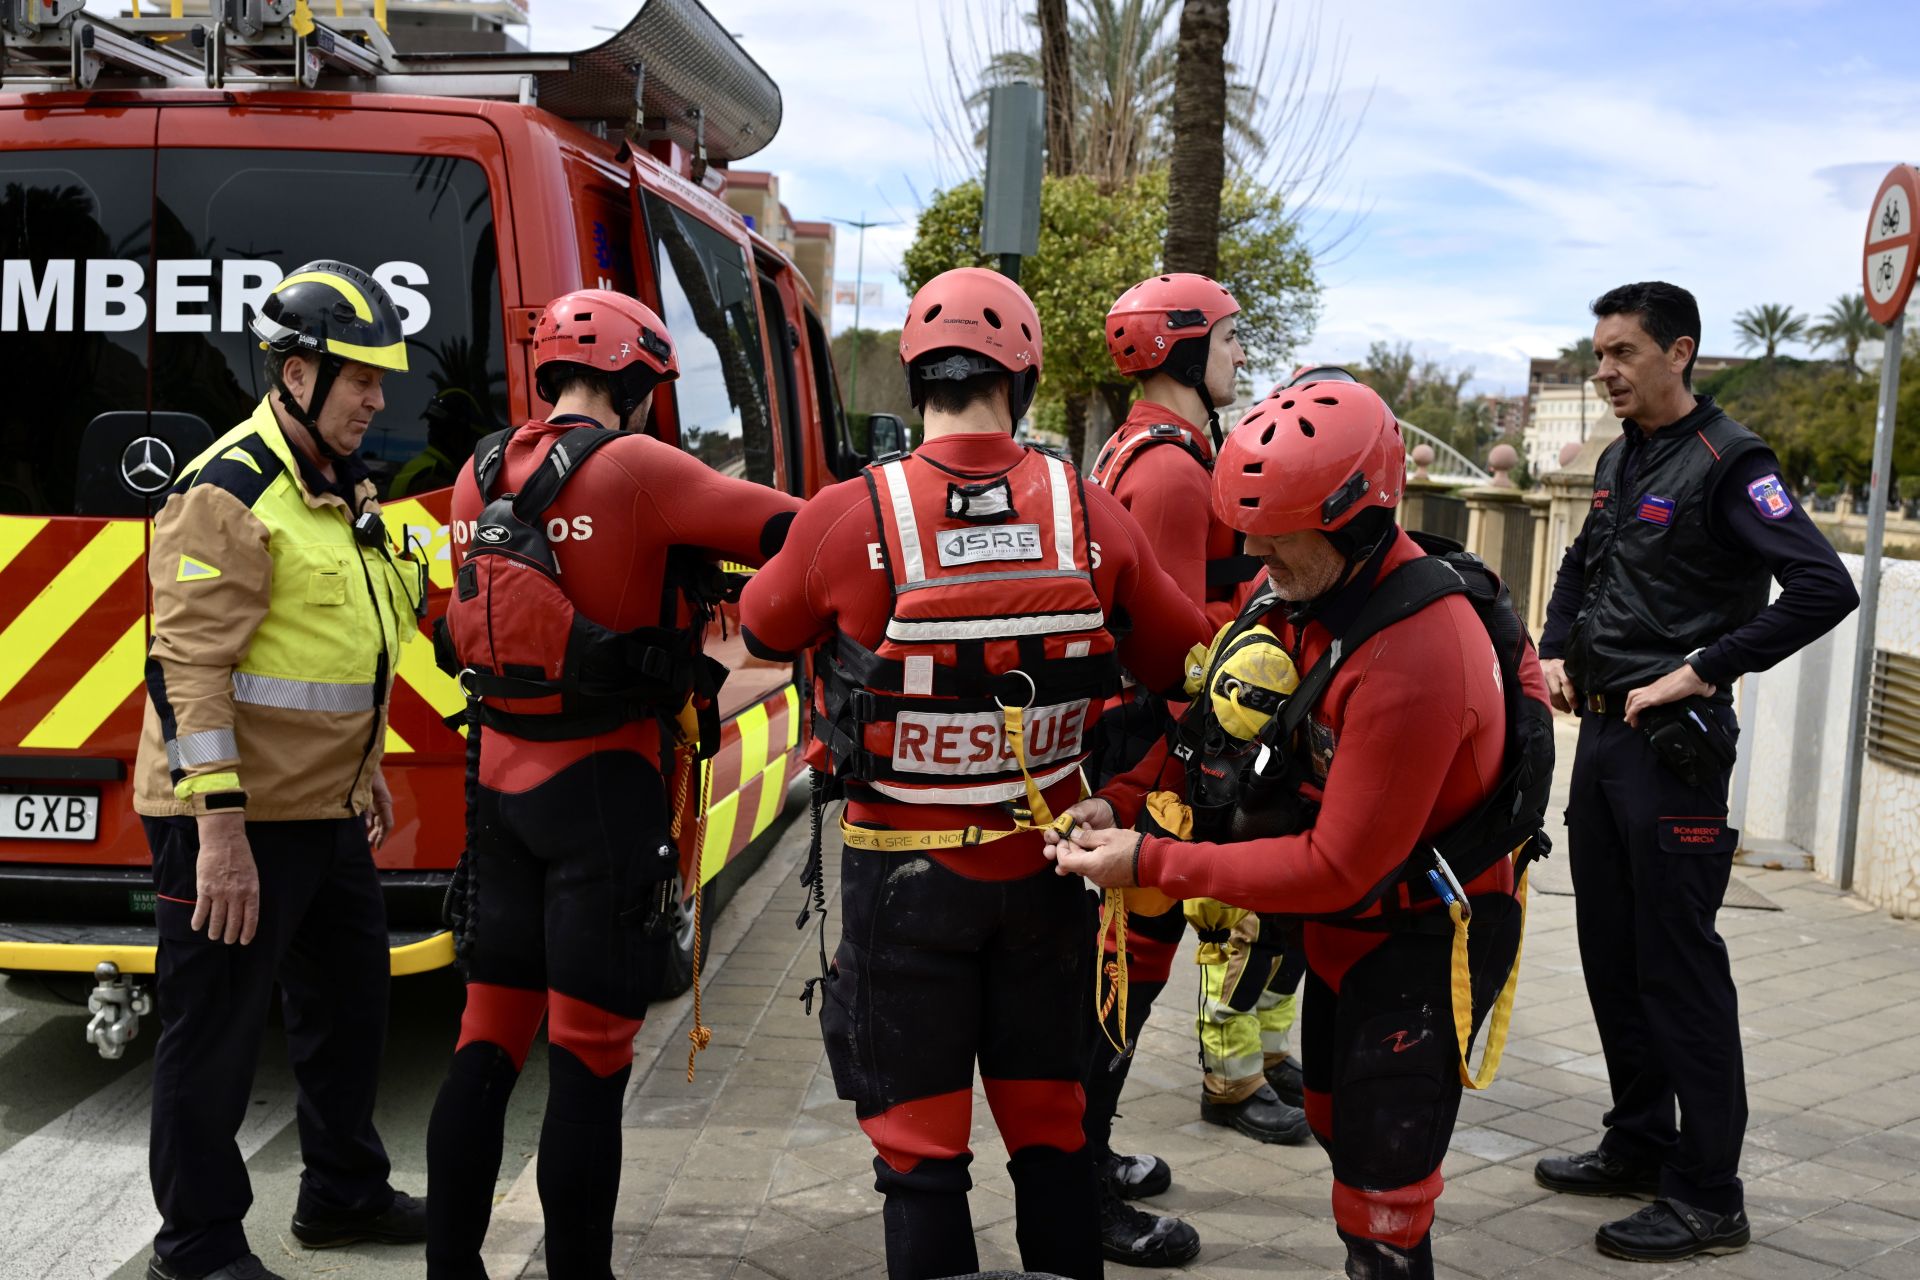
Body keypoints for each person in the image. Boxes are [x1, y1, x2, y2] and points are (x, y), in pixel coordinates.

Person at [738, 267, 1209, 1280]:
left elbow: (763, 624)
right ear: (1024, 378)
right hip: (1048, 877)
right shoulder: (1089, 512)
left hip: (900, 884)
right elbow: (1184, 658)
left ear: (917, 380)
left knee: (919, 1157)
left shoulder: (848, 511)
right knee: (1051, 1129)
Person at [1050, 377, 1550, 1280]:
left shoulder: (1416, 646)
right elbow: (1212, 728)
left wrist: (1151, 860)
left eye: (1280, 533)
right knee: (1331, 1120)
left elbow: (1339, 865)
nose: (1256, 551)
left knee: (1384, 1188)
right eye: (1250, 528)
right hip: (1342, 938)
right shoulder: (1300, 596)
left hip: (1414, 941)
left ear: (1359, 520)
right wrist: (1124, 801)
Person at [424, 289, 801, 1280]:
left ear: (547, 376)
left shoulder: (472, 478)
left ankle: (449, 1270)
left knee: (487, 1038)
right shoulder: (636, 466)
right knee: (589, 1058)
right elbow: (799, 532)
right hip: (607, 797)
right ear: (637, 384)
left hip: (496, 796)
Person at [1530, 281, 1858, 1262]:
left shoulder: (1731, 460)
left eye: (1623, 352)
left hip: (1672, 753)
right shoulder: (1622, 457)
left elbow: (1821, 585)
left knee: (1678, 969)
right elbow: (1584, 561)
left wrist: (1704, 667)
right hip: (1601, 741)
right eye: (1598, 354)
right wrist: (1551, 641)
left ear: (1681, 352)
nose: (1606, 371)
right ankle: (1638, 1140)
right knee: (1611, 954)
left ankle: (1709, 1190)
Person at [134, 260, 429, 1280]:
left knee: (352, 1004)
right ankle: (199, 1242)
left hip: (322, 805)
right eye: (362, 380)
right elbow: (190, 672)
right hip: (227, 817)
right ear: (297, 373)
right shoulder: (229, 489)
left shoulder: (340, 489)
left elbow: (350, 640)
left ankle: (341, 1193)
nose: (379, 400)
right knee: (213, 1030)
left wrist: (373, 766)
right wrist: (217, 833)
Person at [1078, 273, 1303, 1269]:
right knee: (1128, 975)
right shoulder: (1170, 469)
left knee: (1124, 975)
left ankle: (1087, 1154)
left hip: (1142, 755)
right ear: (1182, 349)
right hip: (1155, 764)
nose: (1240, 357)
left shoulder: (1137, 447)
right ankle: (1080, 1185)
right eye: (1230, 340)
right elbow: (1174, 650)